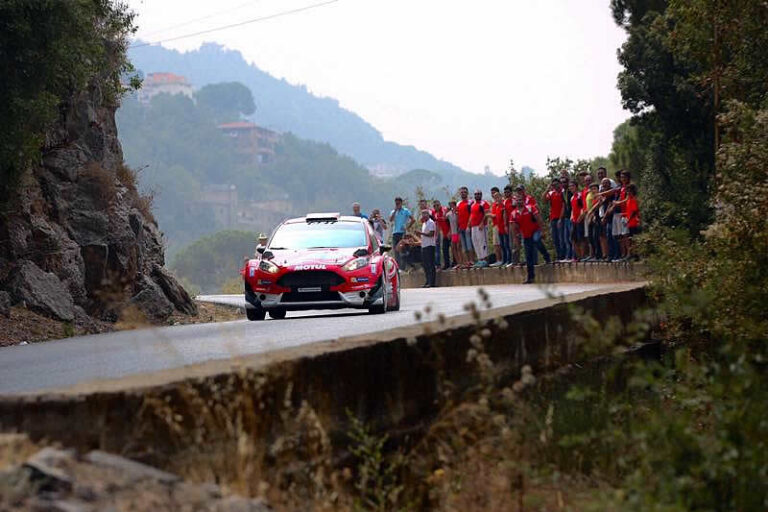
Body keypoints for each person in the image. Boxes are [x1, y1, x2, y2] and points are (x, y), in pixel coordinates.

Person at [510, 193, 545, 284]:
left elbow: (539, 219)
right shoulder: (514, 213)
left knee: (536, 240)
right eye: (517, 200)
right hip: (525, 236)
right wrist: (516, 240)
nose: (519, 201)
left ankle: (546, 256)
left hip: (535, 231)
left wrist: (543, 231)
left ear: (523, 201)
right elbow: (513, 228)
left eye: (521, 200)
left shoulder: (530, 208)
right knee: (528, 256)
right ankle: (530, 277)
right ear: (515, 202)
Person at [516, 185, 550, 264]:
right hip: (525, 228)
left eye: (520, 190)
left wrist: (542, 229)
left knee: (536, 240)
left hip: (534, 226)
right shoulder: (517, 201)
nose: (519, 192)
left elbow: (536, 209)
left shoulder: (529, 199)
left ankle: (546, 256)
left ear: (524, 190)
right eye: (518, 190)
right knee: (528, 245)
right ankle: (532, 261)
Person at [389, 197, 414, 270]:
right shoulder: (393, 211)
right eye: (396, 203)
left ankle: (403, 267)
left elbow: (413, 219)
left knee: (402, 249)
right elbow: (390, 219)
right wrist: (395, 211)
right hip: (395, 233)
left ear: (401, 203)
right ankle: (398, 268)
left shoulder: (405, 211)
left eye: (398, 203)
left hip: (402, 233)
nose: (397, 205)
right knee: (396, 250)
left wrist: (407, 227)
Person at [544, 179, 565, 261]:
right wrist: (547, 189)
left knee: (561, 238)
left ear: (560, 184)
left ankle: (564, 255)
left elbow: (563, 206)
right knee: (555, 238)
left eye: (556, 184)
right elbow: (544, 200)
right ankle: (559, 256)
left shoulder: (562, 193)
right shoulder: (551, 193)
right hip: (553, 219)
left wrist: (560, 218)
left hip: (561, 218)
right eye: (553, 185)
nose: (555, 186)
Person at [469, 189, 490, 267]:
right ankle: (480, 259)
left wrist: (482, 222)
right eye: (476, 194)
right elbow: (471, 215)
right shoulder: (473, 204)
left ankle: (485, 259)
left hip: (481, 226)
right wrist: (469, 225)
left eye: (478, 194)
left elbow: (487, 213)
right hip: (473, 226)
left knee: (482, 242)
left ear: (481, 195)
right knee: (475, 242)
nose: (477, 195)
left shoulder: (484, 203)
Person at [490, 188, 511, 266]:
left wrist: (505, 225)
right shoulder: (497, 206)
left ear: (501, 197)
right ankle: (504, 260)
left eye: (498, 197)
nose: (497, 199)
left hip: (504, 228)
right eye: (495, 198)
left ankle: (509, 260)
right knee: (502, 245)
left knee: (507, 245)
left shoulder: (503, 206)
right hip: (499, 229)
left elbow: (504, 216)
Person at [456, 186, 475, 267]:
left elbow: (472, 214)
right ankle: (467, 262)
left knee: (469, 244)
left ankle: (472, 260)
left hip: (468, 227)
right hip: (461, 228)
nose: (463, 193)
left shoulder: (471, 202)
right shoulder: (458, 203)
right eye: (462, 192)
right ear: (460, 193)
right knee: (464, 246)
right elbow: (457, 215)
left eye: (464, 192)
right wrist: (458, 226)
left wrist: (469, 225)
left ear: (467, 193)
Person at [417, 209, 437, 287]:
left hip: (430, 246)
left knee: (430, 264)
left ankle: (432, 282)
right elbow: (424, 235)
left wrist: (421, 233)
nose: (424, 215)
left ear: (428, 214)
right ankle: (427, 281)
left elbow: (431, 234)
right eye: (422, 214)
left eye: (425, 214)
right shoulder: (424, 224)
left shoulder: (431, 223)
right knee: (425, 265)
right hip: (424, 246)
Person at [568, 181, 586, 260]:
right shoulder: (572, 197)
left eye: (572, 186)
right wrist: (571, 217)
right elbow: (572, 209)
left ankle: (582, 256)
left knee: (581, 239)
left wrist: (581, 217)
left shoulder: (579, 195)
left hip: (580, 220)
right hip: (574, 221)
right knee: (573, 239)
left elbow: (582, 207)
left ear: (576, 186)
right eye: (570, 186)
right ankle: (578, 256)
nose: (571, 188)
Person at [503, 185, 520, 266]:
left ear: (511, 192)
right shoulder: (505, 201)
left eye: (508, 192)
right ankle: (514, 261)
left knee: (516, 241)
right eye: (505, 192)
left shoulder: (514, 200)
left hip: (516, 223)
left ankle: (517, 260)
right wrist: (505, 225)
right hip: (509, 224)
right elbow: (505, 213)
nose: (506, 193)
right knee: (511, 243)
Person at [433, 199, 451, 270]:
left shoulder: (444, 210)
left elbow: (450, 221)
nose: (436, 207)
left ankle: (456, 263)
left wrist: (450, 231)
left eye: (437, 205)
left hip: (450, 233)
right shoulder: (435, 214)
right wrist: (437, 235)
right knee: (444, 249)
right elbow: (438, 224)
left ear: (440, 205)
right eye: (435, 206)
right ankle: (447, 264)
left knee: (454, 248)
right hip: (444, 234)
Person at [560, 175, 574, 261]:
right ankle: (567, 256)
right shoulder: (563, 193)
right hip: (565, 218)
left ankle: (573, 256)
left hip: (572, 217)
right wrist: (560, 218)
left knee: (572, 238)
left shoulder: (571, 192)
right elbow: (564, 205)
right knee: (566, 238)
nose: (563, 184)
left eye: (565, 182)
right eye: (562, 182)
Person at [446, 200, 461, 268]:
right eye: (450, 205)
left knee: (459, 248)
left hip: (459, 232)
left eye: (452, 205)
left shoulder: (458, 212)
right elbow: (445, 219)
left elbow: (459, 222)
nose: (451, 206)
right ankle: (458, 262)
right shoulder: (449, 214)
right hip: (453, 233)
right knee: (453, 248)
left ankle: (462, 262)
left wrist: (456, 213)